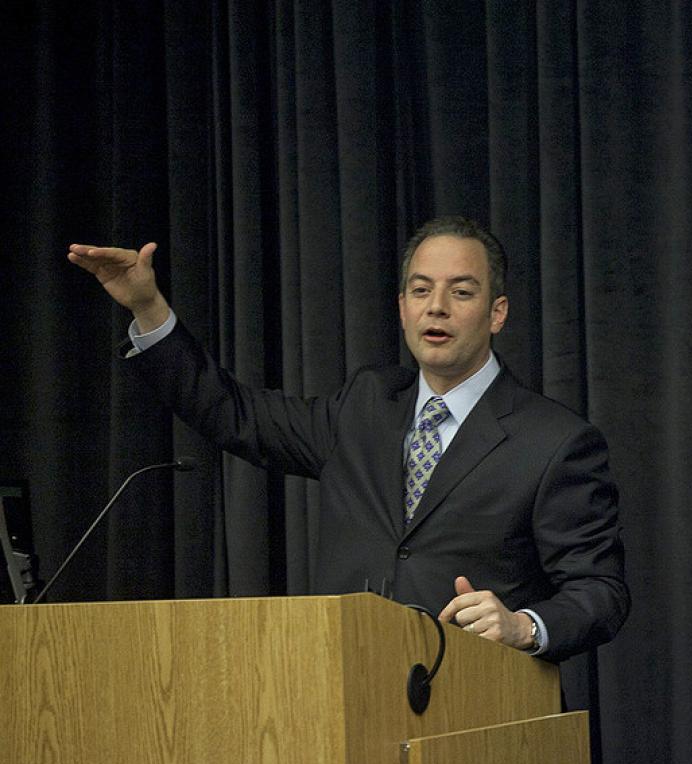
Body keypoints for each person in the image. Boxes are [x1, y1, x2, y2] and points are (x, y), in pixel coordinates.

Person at [67, 217, 628, 662]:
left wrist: (523, 626)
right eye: (421, 290)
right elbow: (233, 413)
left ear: (497, 312)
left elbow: (600, 592)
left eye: (461, 292)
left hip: (477, 711)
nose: (436, 306)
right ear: (403, 308)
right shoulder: (363, 406)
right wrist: (147, 307)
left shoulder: (555, 442)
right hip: (344, 696)